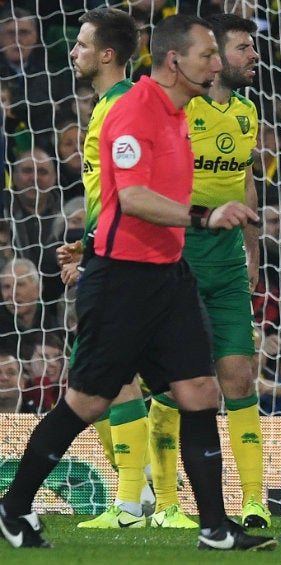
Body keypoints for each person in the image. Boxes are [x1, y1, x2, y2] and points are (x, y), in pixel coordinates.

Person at [0, 14, 271, 551]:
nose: (217, 66)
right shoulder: (134, 110)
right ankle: (12, 508)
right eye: (207, 56)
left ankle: (215, 528)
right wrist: (203, 217)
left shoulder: (177, 113)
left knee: (199, 391)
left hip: (167, 276)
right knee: (87, 401)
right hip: (122, 279)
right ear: (175, 62)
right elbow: (132, 197)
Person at [143, 12, 269, 531]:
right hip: (178, 252)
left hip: (227, 259)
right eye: (242, 48)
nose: (252, 56)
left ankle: (255, 501)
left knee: (239, 375)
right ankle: (167, 503)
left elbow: (243, 182)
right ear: (212, 57)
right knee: (178, 382)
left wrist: (253, 251)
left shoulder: (247, 113)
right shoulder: (177, 111)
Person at [58, 7, 154, 531]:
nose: (74, 52)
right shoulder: (105, 108)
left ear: (107, 54)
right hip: (110, 252)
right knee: (93, 378)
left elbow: (135, 193)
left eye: (81, 44)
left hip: (129, 258)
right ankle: (138, 493)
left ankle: (133, 502)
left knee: (110, 377)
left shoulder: (126, 106)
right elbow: (110, 196)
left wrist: (100, 249)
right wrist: (89, 248)